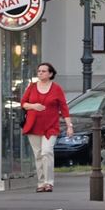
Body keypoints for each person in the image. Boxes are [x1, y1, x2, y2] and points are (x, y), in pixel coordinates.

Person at [20, 62, 73, 192]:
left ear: (50, 74)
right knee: (38, 155)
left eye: (44, 71)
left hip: (50, 127)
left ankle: (49, 182)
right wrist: (33, 106)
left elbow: (64, 108)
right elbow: (23, 103)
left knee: (47, 151)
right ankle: (41, 182)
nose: (40, 73)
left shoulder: (56, 89)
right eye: (39, 71)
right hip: (33, 126)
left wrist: (69, 126)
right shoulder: (32, 87)